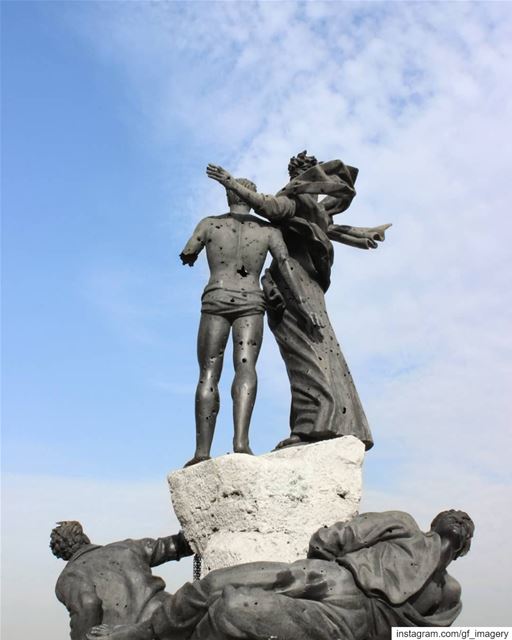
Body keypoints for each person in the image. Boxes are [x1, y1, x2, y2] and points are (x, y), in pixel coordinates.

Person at [207, 154, 391, 451]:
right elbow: (263, 204)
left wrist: (364, 234)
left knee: (309, 355)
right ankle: (320, 423)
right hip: (290, 290)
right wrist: (231, 184)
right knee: (310, 353)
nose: (318, 189)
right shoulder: (289, 202)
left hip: (301, 288)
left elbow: (329, 229)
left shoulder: (309, 210)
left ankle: (316, 424)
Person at [85, 509, 474, 640]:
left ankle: (145, 633)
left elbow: (330, 537)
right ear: (462, 549)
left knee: (223, 593)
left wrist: (321, 563)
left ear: (435, 523)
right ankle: (144, 633)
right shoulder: (449, 592)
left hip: (334, 583)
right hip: (346, 616)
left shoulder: (405, 526)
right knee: (227, 599)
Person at [180, 177, 323, 466]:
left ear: (228, 197)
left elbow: (188, 253)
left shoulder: (209, 224)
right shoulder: (267, 231)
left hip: (216, 298)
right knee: (246, 367)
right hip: (251, 302)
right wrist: (306, 306)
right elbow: (286, 267)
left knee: (209, 372)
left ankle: (201, 452)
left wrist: (191, 257)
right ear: (251, 197)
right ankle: (241, 443)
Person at [50, 521, 193, 640]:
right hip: (172, 617)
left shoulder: (69, 576)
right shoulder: (125, 547)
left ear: (62, 556)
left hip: (131, 634)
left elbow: (88, 604)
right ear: (84, 538)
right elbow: (174, 546)